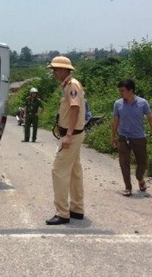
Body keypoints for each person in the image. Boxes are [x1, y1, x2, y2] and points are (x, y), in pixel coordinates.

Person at [45, 56, 86, 225]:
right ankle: (76, 208)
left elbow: (75, 108)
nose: (54, 72)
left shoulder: (72, 85)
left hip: (72, 135)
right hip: (74, 133)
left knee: (58, 170)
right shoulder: (70, 85)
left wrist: (68, 135)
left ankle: (62, 212)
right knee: (75, 171)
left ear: (64, 70)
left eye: (55, 69)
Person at [111, 79, 152, 197]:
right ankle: (128, 187)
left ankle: (140, 178)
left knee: (142, 163)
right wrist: (113, 136)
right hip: (123, 137)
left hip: (139, 138)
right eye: (120, 91)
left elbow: (150, 118)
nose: (121, 93)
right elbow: (115, 120)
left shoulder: (143, 103)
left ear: (131, 91)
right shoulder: (118, 104)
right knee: (124, 163)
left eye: (123, 91)